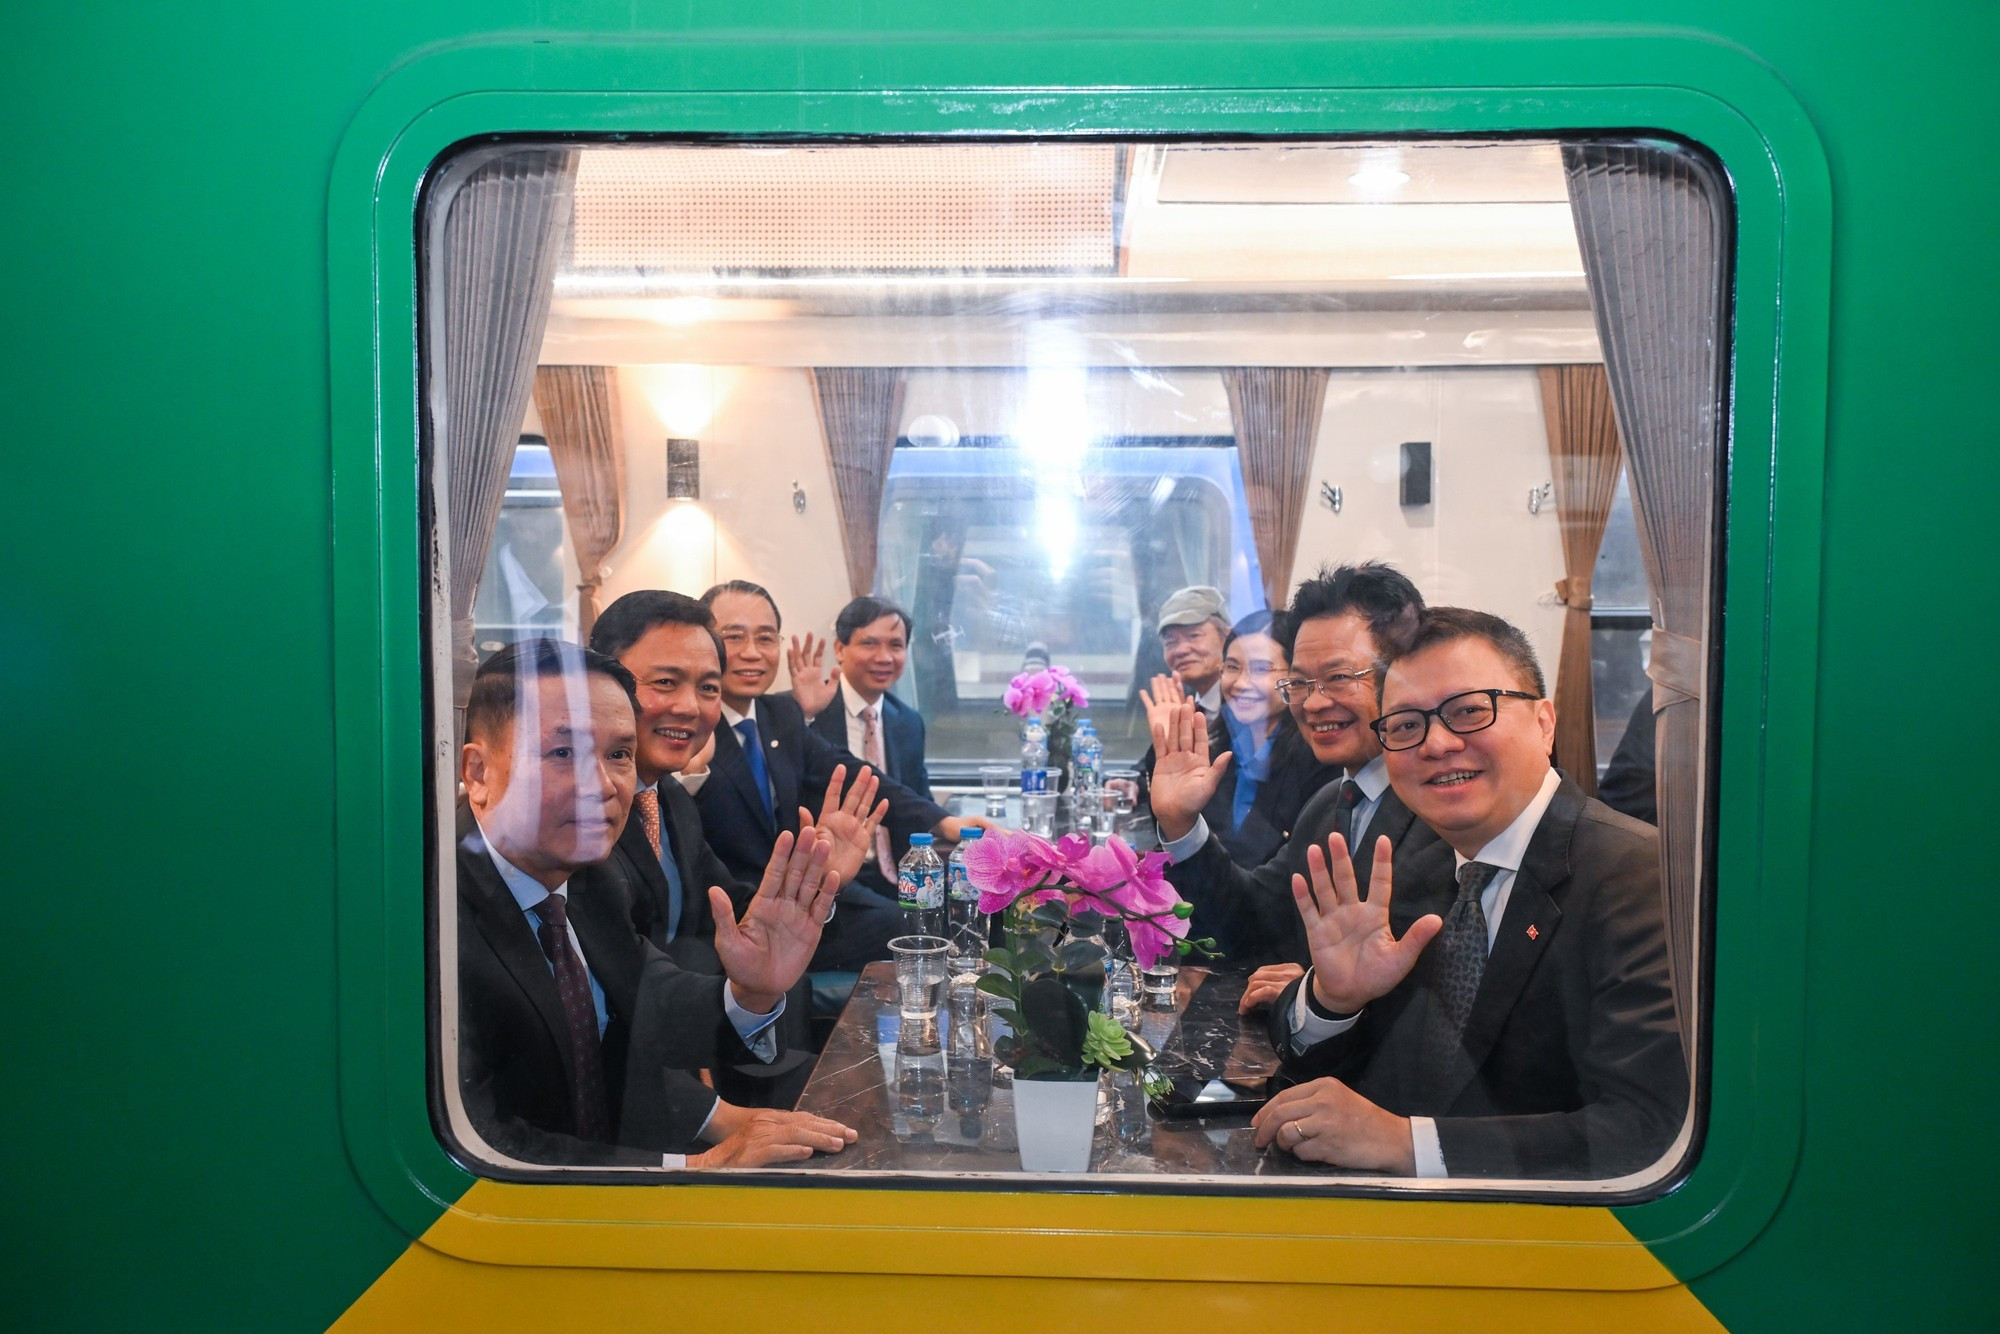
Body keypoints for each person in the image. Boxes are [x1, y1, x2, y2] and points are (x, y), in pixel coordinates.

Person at [1249, 608, 1688, 1179]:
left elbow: (1649, 1131)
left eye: (1469, 712)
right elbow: (1324, 1059)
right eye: (1406, 725)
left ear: (1544, 722)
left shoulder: (1637, 875)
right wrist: (1334, 1000)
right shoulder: (1412, 865)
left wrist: (1408, 1144)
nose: (1436, 743)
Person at [453, 637, 855, 1168]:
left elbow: (648, 1006)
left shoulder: (592, 876)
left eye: (618, 754)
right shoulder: (425, 914)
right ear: (478, 773)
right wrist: (694, 1169)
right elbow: (481, 1145)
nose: (601, 785)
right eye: (561, 753)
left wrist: (752, 990)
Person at [581, 589, 887, 1108]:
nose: (689, 707)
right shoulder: (580, 817)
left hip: (712, 1053)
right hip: (633, 1092)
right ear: (600, 682)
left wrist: (813, 884)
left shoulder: (668, 799)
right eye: (664, 683)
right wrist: (718, 1120)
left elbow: (738, 910)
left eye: (706, 688)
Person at [687, 580, 992, 969]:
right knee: (909, 937)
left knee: (937, 926)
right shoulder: (690, 726)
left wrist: (946, 823)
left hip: (808, 897)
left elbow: (855, 774)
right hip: (737, 916)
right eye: (734, 636)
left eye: (765, 638)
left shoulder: (779, 717)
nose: (751, 653)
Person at [1149, 562, 1436, 973]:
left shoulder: (1439, 803)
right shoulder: (1331, 803)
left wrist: (1314, 998)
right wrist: (1181, 824)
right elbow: (1249, 922)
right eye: (1299, 683)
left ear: (1404, 674)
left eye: (1338, 677)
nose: (1314, 703)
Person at [1209, 611, 1340, 866]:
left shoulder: (1319, 758)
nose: (1241, 683)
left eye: (1260, 669)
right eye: (1232, 667)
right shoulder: (1223, 747)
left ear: (1295, 677)